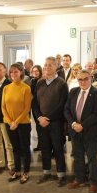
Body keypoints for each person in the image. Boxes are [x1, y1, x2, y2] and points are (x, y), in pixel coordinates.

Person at [64, 69, 97, 193]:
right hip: (75, 131)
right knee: (78, 157)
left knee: (92, 158)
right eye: (80, 79)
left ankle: (93, 182)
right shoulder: (73, 92)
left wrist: (83, 125)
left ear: (91, 78)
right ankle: (79, 179)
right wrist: (74, 123)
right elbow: (66, 110)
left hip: (90, 132)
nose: (83, 81)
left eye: (85, 79)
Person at [32, 56, 68, 186]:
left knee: (58, 149)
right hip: (41, 122)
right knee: (45, 149)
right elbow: (35, 103)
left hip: (56, 123)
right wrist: (39, 117)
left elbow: (63, 104)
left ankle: (61, 175)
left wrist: (49, 118)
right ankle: (46, 173)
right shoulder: (40, 83)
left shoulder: (61, 83)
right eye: (45, 65)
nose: (47, 67)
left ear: (56, 67)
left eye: (50, 65)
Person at [1, 63, 32, 184]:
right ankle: (17, 171)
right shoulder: (6, 88)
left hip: (23, 123)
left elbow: (27, 108)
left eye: (16, 71)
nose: (13, 74)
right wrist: (10, 122)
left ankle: (26, 172)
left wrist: (16, 122)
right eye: (11, 72)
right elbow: (3, 107)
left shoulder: (26, 88)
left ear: (21, 73)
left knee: (25, 148)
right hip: (9, 124)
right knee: (15, 149)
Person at [30, 65, 43, 152]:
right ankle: (40, 144)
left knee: (41, 126)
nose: (35, 72)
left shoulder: (42, 81)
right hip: (34, 106)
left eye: (37, 71)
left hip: (41, 106)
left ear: (40, 72)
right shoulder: (32, 80)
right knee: (38, 126)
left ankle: (43, 145)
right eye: (34, 71)